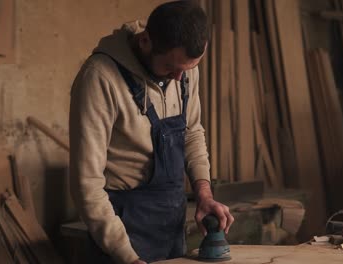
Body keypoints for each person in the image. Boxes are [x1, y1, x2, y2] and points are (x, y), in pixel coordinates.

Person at [69, 1, 234, 264]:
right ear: (145, 41)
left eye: (189, 69)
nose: (181, 78)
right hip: (121, 230)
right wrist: (128, 257)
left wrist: (204, 193)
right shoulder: (100, 78)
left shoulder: (184, 68)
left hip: (170, 222)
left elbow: (191, 132)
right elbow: (87, 184)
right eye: (172, 68)